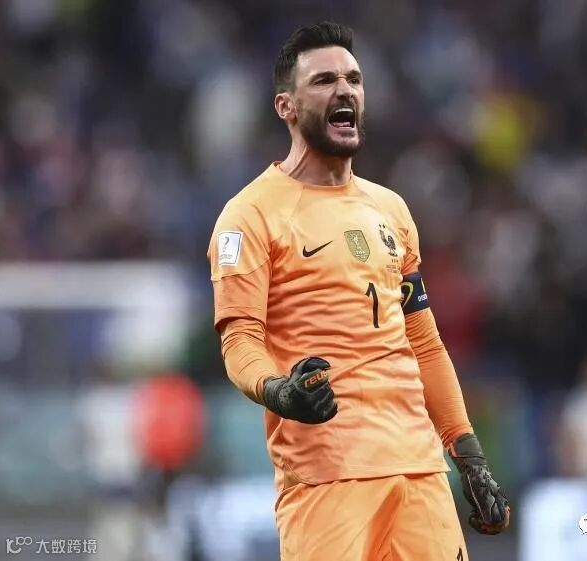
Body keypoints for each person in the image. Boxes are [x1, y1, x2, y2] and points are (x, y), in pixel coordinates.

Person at [207, 21, 510, 561]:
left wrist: (468, 454)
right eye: (324, 81)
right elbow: (239, 341)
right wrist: (279, 392)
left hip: (419, 472)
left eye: (353, 79)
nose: (344, 89)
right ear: (286, 107)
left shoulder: (391, 210)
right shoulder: (249, 216)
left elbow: (424, 344)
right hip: (327, 478)